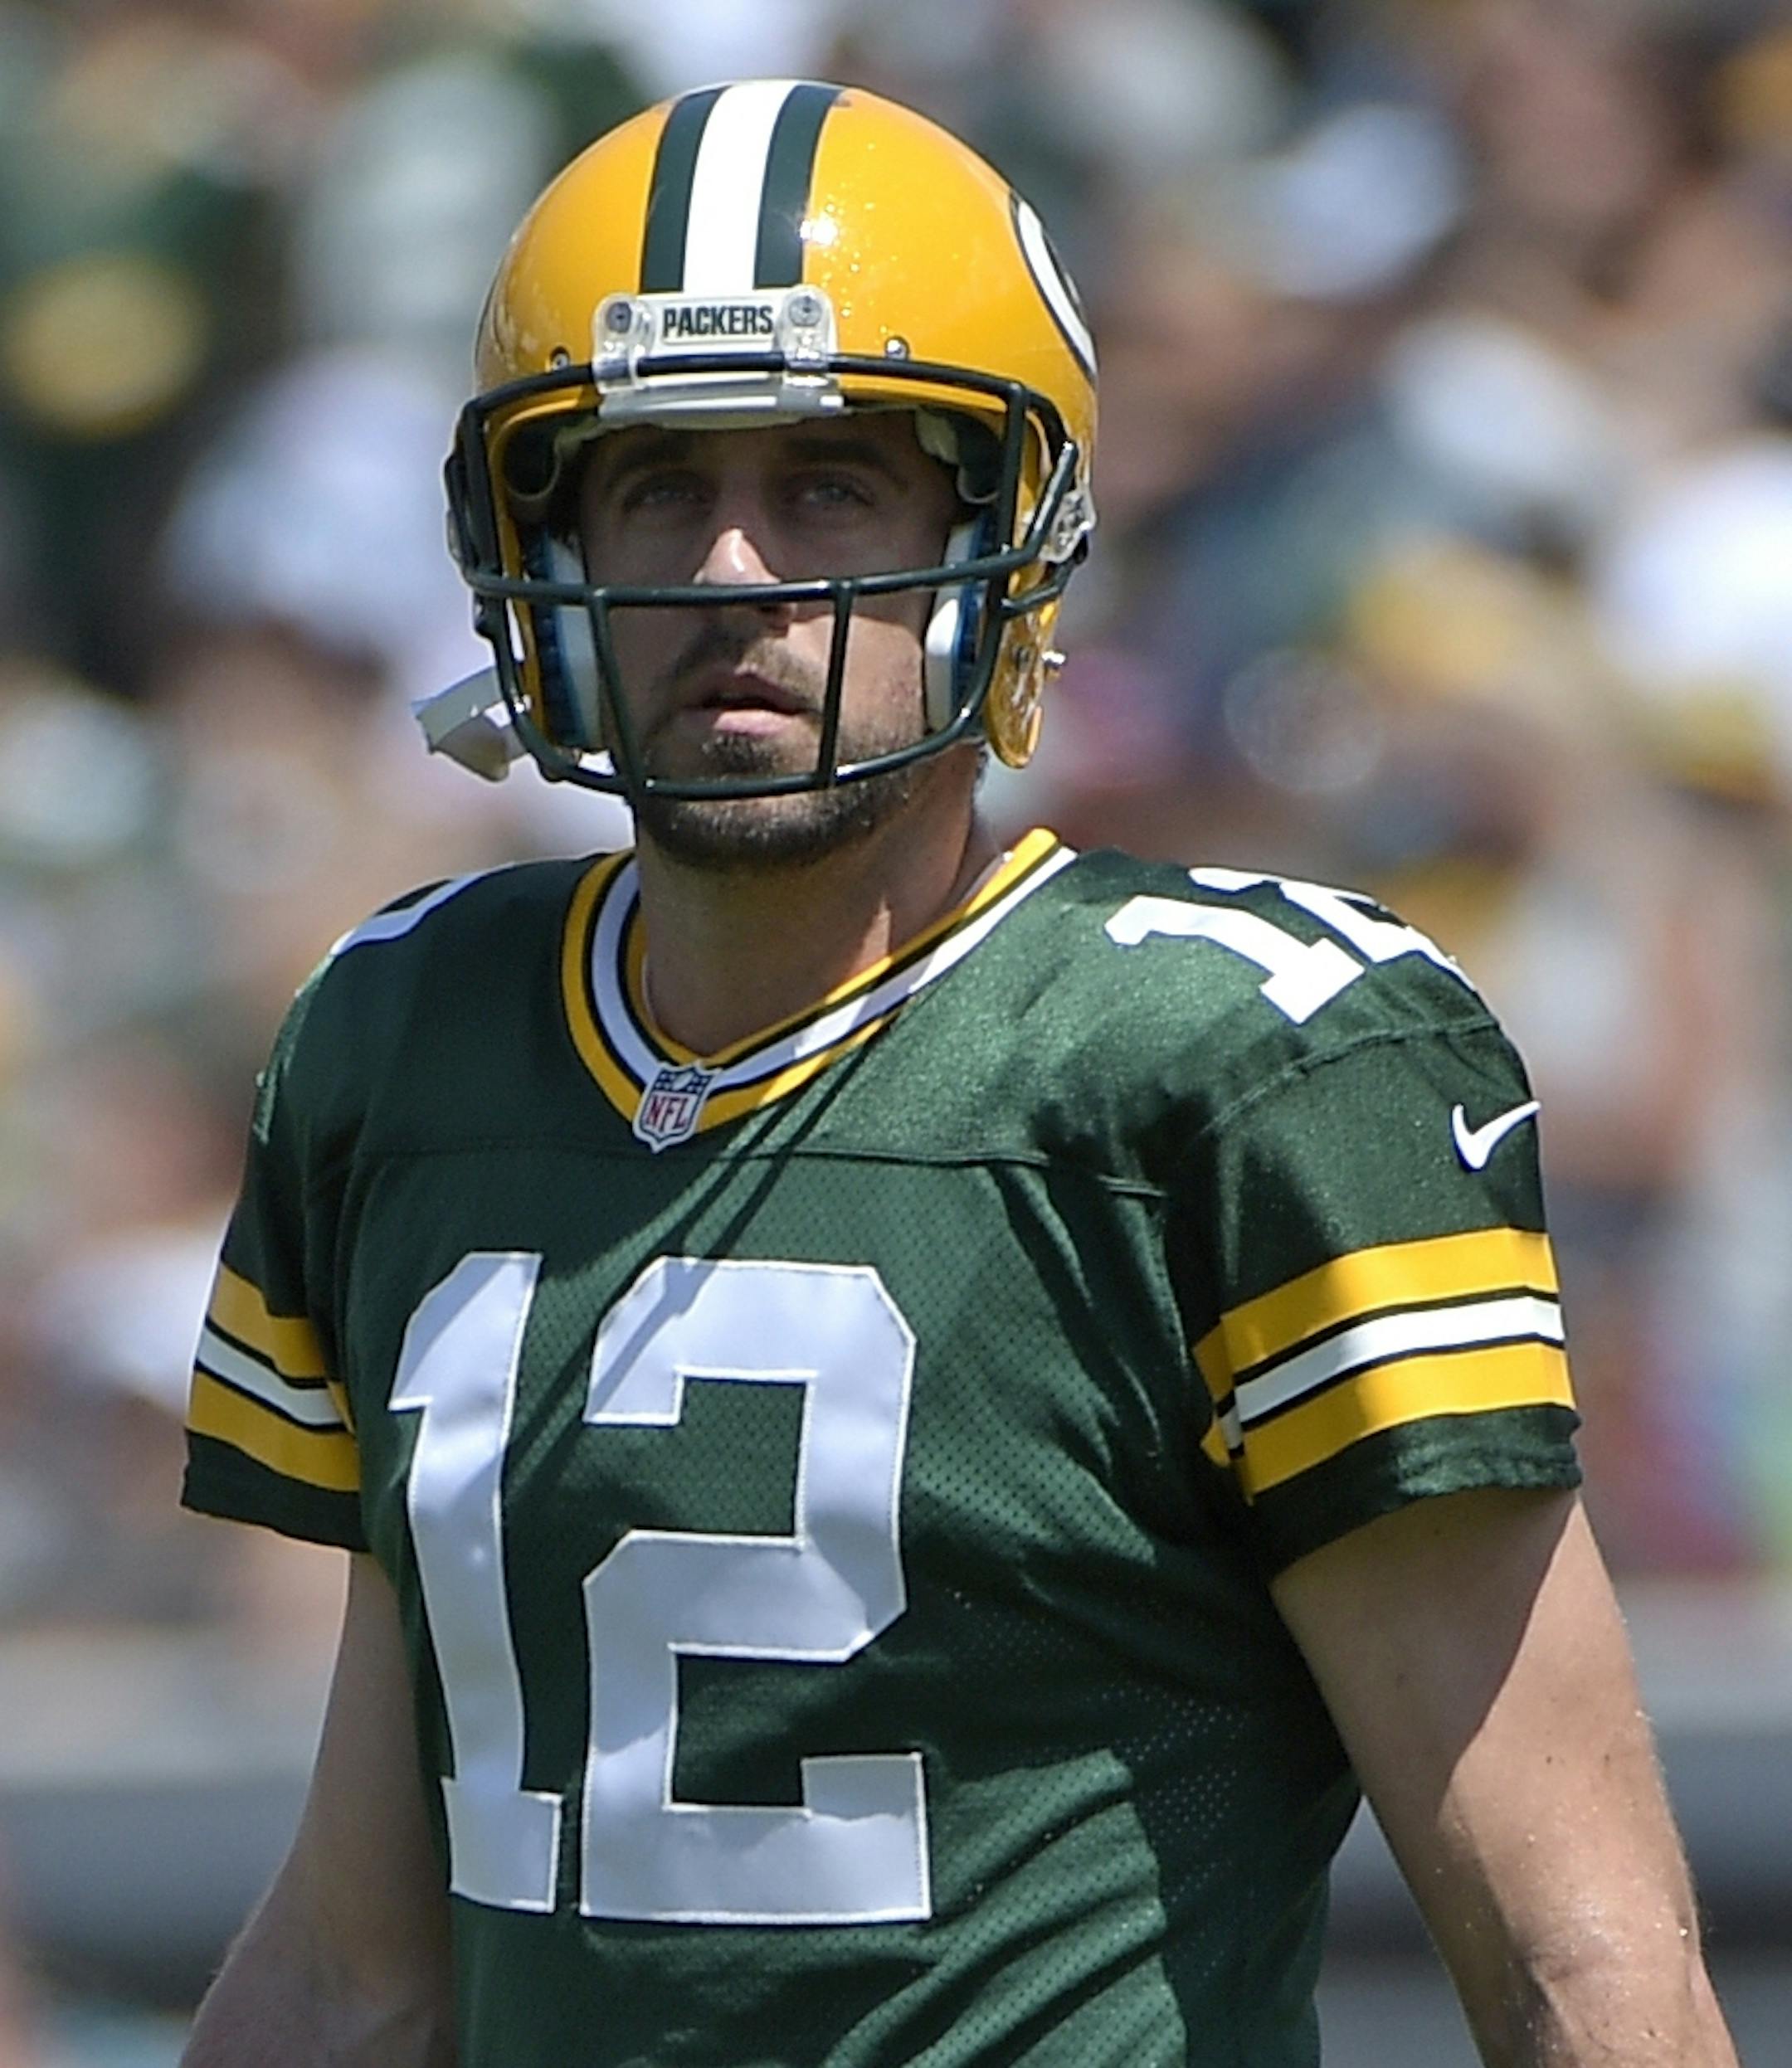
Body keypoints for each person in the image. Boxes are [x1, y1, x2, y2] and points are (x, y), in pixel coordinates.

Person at [177, 80, 1739, 2068]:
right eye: (654, 483)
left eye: (830, 485)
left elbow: (1580, 1959)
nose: (733, 570)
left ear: (996, 535)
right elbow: (355, 1956)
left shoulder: (1240, 1062)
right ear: (538, 542)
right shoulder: (406, 1037)